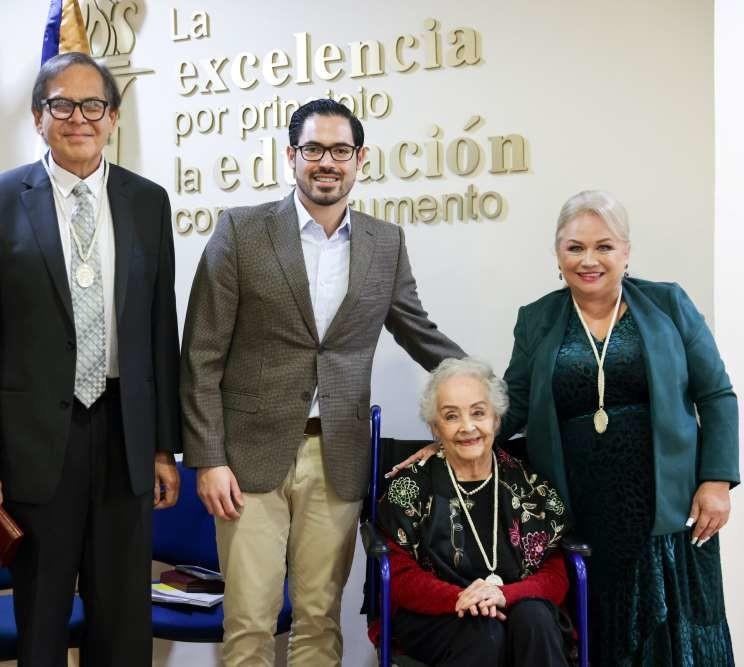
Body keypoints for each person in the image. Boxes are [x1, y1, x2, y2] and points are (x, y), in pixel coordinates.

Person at [397, 190, 738, 664]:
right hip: (579, 503)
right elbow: (508, 404)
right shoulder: (538, 318)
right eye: (574, 247)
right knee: (594, 626)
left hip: (667, 503)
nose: (589, 259)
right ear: (558, 255)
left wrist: (717, 481)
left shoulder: (668, 304)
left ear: (626, 252)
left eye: (604, 246)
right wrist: (451, 443)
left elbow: (716, 395)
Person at [180, 98, 464, 666]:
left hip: (336, 456)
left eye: (340, 150)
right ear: (292, 157)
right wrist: (208, 459)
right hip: (246, 459)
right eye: (313, 149)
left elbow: (419, 332)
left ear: (360, 159)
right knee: (250, 623)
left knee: (318, 620)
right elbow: (201, 355)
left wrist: (480, 392)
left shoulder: (386, 243)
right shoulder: (241, 231)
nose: (326, 162)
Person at [0, 52, 181, 667]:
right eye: (62, 105)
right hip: (33, 444)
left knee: (123, 622)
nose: (78, 118)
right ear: (38, 117)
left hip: (123, 437)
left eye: (93, 106)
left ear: (113, 118)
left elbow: (161, 330)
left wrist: (162, 445)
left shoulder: (148, 203)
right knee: (42, 623)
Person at [374, 357, 572, 666]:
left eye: (478, 412)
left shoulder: (527, 484)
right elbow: (399, 576)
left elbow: (556, 574)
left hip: (519, 605)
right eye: (451, 416)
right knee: (484, 631)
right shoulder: (411, 486)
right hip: (438, 616)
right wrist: (459, 599)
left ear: (496, 419)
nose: (467, 427)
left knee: (534, 617)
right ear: (435, 427)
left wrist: (509, 594)